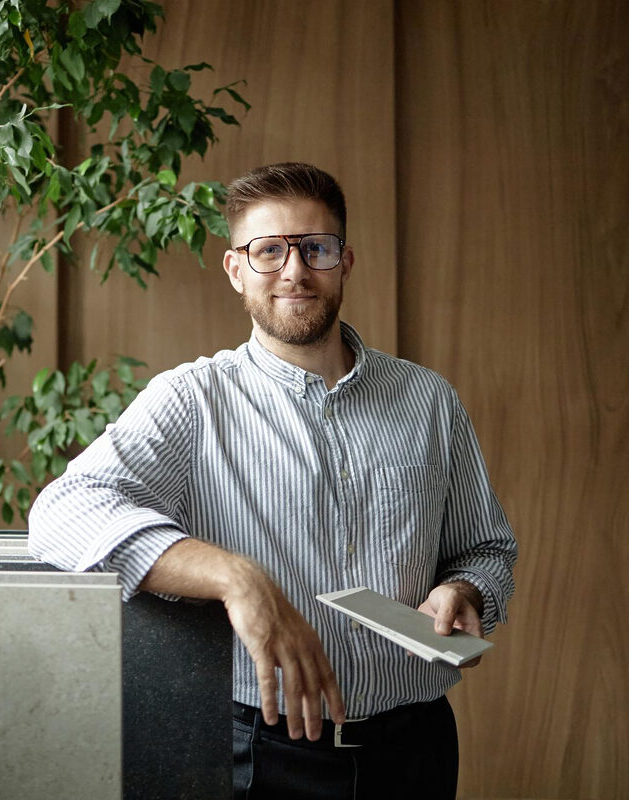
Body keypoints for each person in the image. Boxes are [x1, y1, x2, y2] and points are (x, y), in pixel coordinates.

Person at [27, 162, 517, 799]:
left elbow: (488, 550)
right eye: (269, 251)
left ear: (345, 261)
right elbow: (64, 512)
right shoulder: (193, 398)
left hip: (415, 748)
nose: (295, 271)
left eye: (316, 248)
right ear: (236, 269)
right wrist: (236, 578)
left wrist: (465, 590)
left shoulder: (428, 400)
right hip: (266, 753)